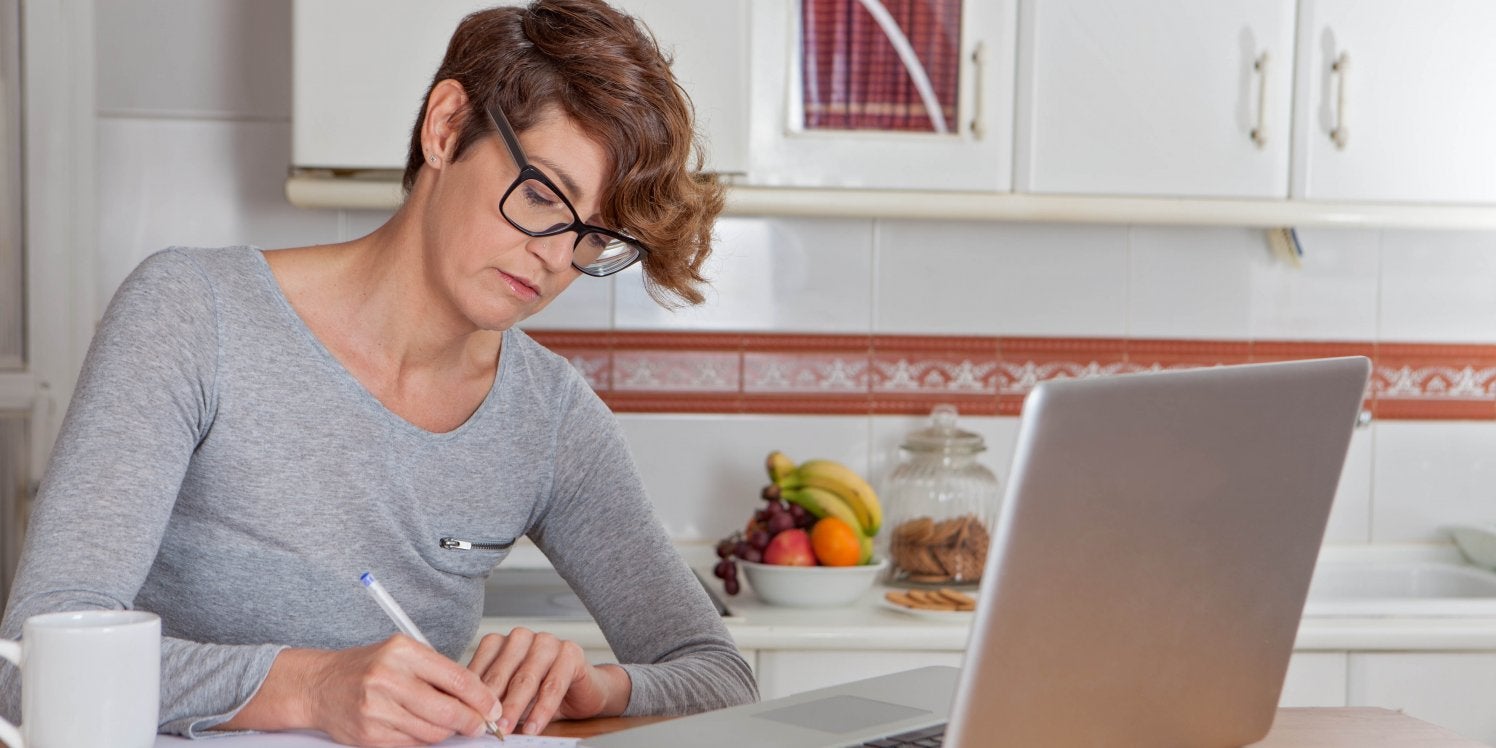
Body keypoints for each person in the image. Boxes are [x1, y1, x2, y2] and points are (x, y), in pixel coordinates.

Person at [0, 0, 756, 744]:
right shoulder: (194, 315)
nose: (558, 257)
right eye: (540, 196)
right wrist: (311, 687)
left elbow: (721, 677)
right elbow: (31, 663)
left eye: (594, 236)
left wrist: (598, 689)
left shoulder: (550, 418)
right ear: (446, 127)